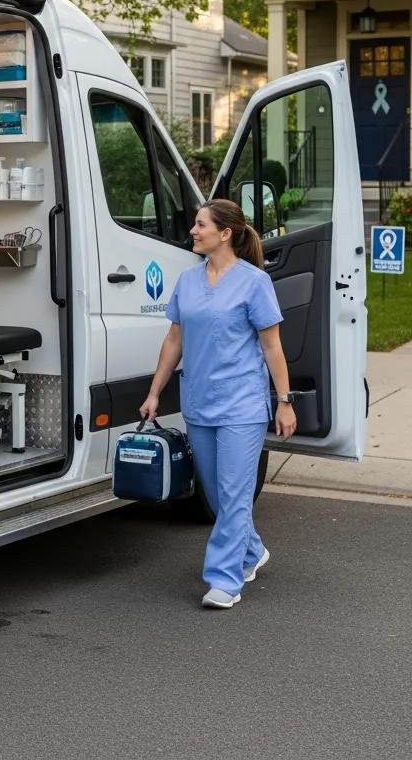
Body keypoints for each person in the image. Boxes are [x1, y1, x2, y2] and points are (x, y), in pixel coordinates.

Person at [139, 198, 296, 609]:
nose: (193, 230)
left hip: (242, 403)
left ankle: (223, 580)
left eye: (200, 224)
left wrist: (284, 401)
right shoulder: (188, 281)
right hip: (199, 402)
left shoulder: (255, 282)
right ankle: (251, 551)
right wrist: (155, 392)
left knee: (234, 491)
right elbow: (175, 339)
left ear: (225, 233)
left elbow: (272, 346)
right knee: (220, 493)